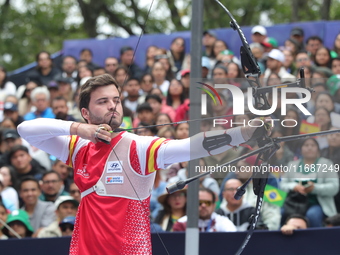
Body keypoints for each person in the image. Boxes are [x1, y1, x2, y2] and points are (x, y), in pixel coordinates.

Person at [17, 74, 268, 254]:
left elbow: (191, 146)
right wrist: (80, 129)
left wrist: (242, 134)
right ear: (85, 112)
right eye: (102, 101)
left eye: (115, 99)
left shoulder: (138, 146)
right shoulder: (77, 147)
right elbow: (26, 129)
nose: (112, 106)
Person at [280, 138, 339, 227]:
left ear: (318, 149)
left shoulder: (326, 164)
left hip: (317, 204)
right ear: (301, 149)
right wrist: (294, 186)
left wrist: (314, 188)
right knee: (280, 213)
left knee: (312, 215)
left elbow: (334, 187)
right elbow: (282, 185)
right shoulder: (292, 165)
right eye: (306, 145)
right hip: (293, 204)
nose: (309, 148)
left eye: (313, 145)